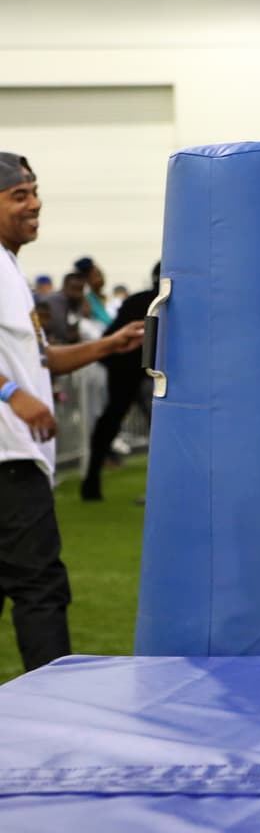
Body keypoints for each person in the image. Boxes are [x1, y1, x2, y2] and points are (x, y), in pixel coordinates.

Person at [0, 151, 145, 671]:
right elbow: (20, 377)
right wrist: (12, 394)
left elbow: (44, 359)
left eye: (36, 192)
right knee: (41, 588)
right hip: (10, 460)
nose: (35, 204)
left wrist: (109, 344)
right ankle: (55, 711)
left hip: (17, 458)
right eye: (20, 195)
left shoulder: (9, 266)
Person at [81, 262, 160, 501]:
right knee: (157, 429)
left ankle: (91, 480)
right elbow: (112, 339)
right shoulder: (145, 302)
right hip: (132, 371)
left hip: (131, 371)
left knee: (113, 422)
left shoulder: (139, 300)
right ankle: (92, 480)